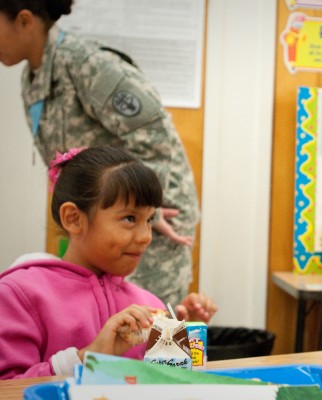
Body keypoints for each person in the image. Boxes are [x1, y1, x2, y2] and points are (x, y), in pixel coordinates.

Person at [0, 0, 199, 306]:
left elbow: (155, 133)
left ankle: (187, 335)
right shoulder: (32, 78)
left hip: (145, 214)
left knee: (157, 325)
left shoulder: (87, 64)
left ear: (25, 21)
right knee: (102, 317)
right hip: (98, 218)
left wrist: (148, 211)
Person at [0, 146, 217, 380]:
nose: (146, 236)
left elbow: (167, 384)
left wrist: (185, 337)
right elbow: (7, 387)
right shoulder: (19, 295)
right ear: (73, 219)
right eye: (130, 218)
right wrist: (86, 358)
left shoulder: (147, 303)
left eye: (150, 219)